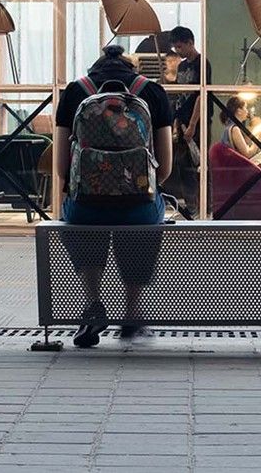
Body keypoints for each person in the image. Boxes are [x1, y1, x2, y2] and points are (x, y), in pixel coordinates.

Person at [54, 44, 174, 347]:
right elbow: (165, 169)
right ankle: (132, 312)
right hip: (139, 207)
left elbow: (61, 169)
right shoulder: (153, 92)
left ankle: (93, 303)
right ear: (132, 67)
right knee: (146, 217)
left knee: (77, 215)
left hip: (86, 206)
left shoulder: (75, 92)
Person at [162, 26, 208, 213]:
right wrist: (177, 123)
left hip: (196, 121)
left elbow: (201, 95)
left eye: (180, 47)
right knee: (182, 164)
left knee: (198, 163)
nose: (178, 51)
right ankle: (191, 205)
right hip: (181, 121)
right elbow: (180, 97)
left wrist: (193, 124)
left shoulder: (202, 63)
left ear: (190, 42)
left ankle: (204, 205)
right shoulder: (182, 67)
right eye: (175, 48)